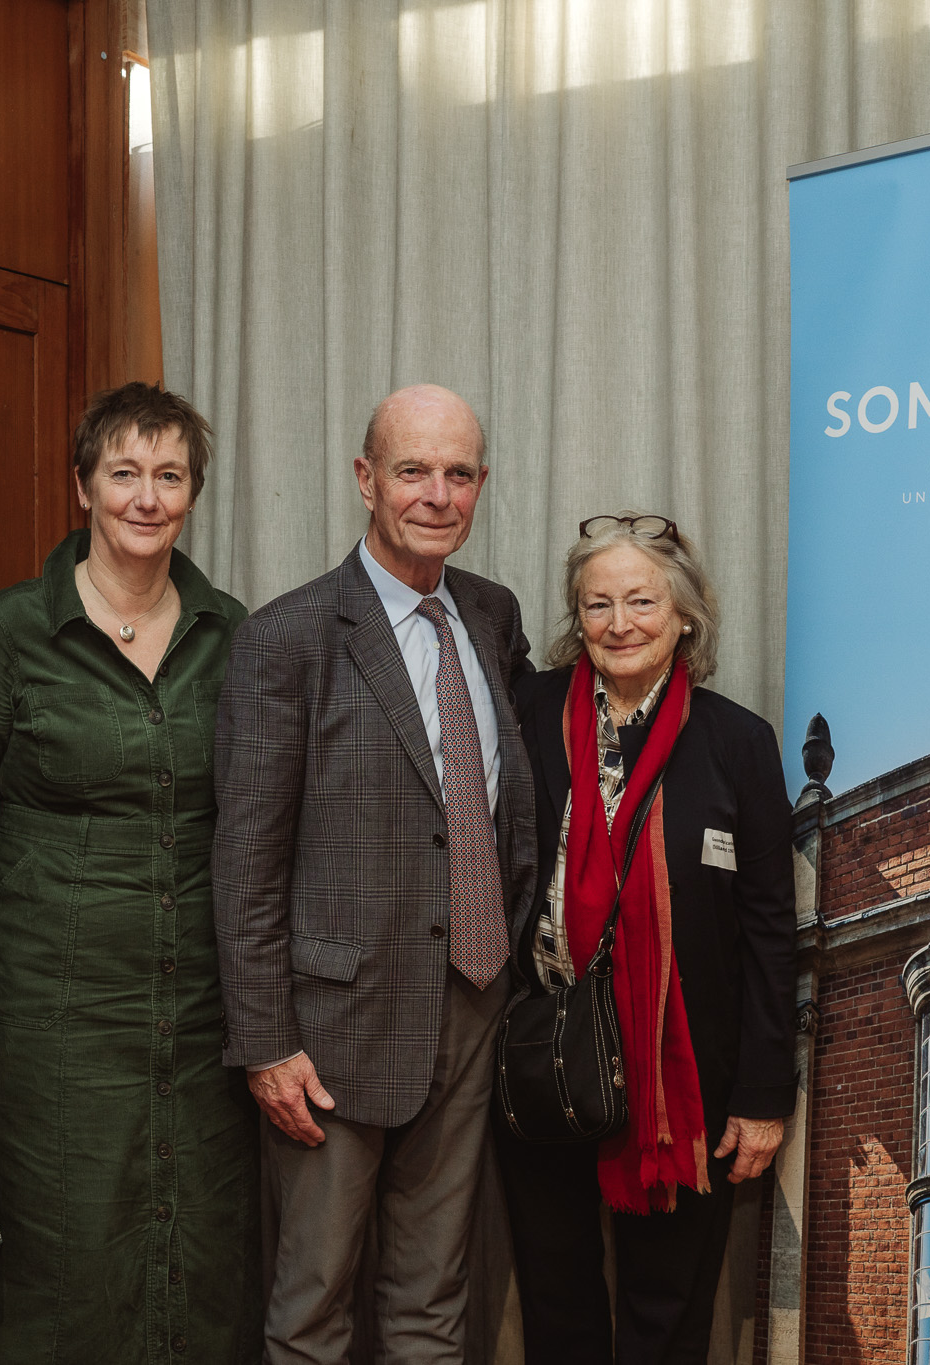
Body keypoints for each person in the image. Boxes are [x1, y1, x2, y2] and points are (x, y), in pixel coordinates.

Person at [0, 383, 260, 1364]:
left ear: (192, 492)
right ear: (84, 486)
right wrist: (36, 900)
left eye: (168, 475)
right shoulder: (7, 633)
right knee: (59, 1242)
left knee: (196, 1242)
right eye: (124, 473)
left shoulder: (234, 633)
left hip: (197, 1008)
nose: (146, 497)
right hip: (50, 1007)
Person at [214, 383, 536, 1364]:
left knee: (433, 1299)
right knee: (311, 1307)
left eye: (457, 474)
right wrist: (265, 1041)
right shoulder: (287, 638)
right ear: (364, 479)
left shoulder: (488, 614)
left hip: (470, 1004)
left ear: (479, 484)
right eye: (411, 470)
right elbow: (245, 858)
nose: (435, 494)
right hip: (330, 1034)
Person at [494, 513, 795, 1364]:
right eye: (597, 604)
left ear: (685, 614)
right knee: (557, 1299)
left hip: (685, 1067)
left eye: (640, 601)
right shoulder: (530, 710)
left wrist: (766, 1091)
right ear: (575, 617)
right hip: (548, 1048)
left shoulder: (739, 741)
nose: (619, 623)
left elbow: (772, 928)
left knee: (668, 1312)